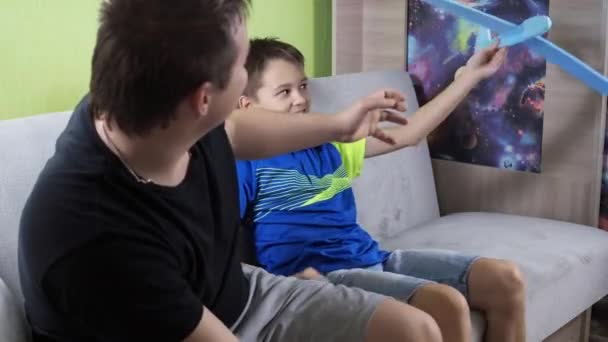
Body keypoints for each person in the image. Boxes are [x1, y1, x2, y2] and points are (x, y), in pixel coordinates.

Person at [17, 1, 461, 341]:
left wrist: (338, 126)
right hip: (176, 324)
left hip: (237, 292)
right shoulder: (95, 241)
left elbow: (235, 128)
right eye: (240, 64)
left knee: (414, 330)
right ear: (204, 99)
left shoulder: (136, 99)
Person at [236, 37, 526, 342]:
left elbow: (410, 133)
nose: (300, 99)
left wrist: (471, 75)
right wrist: (282, 284)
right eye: (284, 92)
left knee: (505, 280)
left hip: (372, 256)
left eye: (303, 86)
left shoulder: (331, 144)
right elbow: (221, 244)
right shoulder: (248, 159)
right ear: (247, 106)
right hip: (324, 276)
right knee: (446, 305)